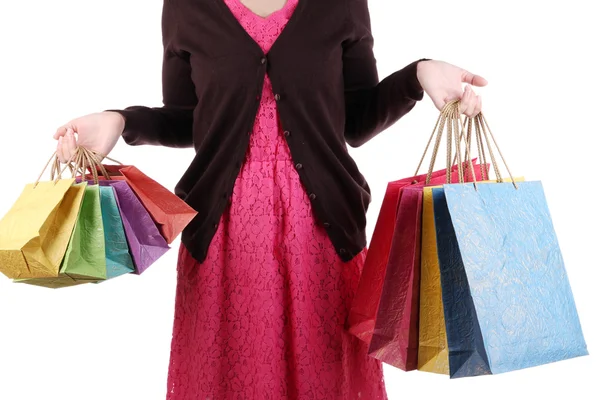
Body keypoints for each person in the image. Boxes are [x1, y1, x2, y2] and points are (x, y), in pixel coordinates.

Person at [54, 0, 486, 398]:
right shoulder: (187, 5)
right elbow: (189, 120)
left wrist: (418, 75)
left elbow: (355, 119)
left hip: (321, 241)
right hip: (224, 245)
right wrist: (121, 121)